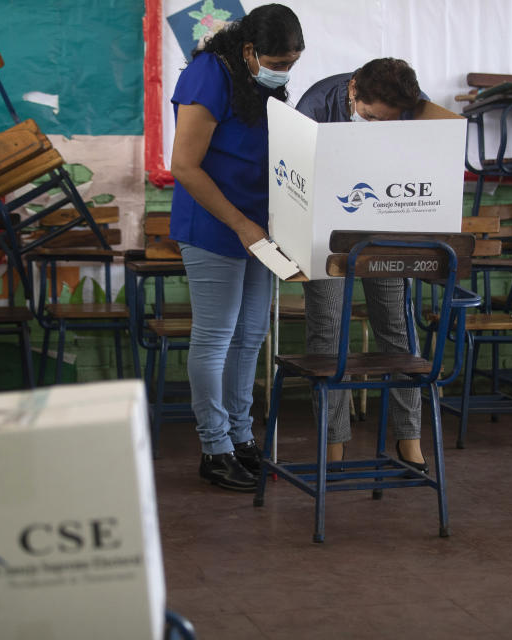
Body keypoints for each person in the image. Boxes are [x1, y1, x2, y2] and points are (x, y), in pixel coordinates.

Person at [169, 4, 304, 492]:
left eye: (292, 63)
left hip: (258, 230)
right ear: (249, 50)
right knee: (215, 337)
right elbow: (184, 165)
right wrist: (242, 224)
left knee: (250, 337)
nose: (284, 72)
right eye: (278, 62)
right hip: (215, 225)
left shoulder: (257, 80)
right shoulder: (209, 74)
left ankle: (243, 438)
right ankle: (214, 448)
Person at [295, 58, 429, 472]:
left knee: (397, 329)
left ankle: (410, 439)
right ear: (353, 90)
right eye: (370, 117)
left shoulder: (412, 104)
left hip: (384, 227)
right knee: (328, 332)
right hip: (326, 233)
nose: (375, 125)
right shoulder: (314, 106)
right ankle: (333, 444)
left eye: (386, 122)